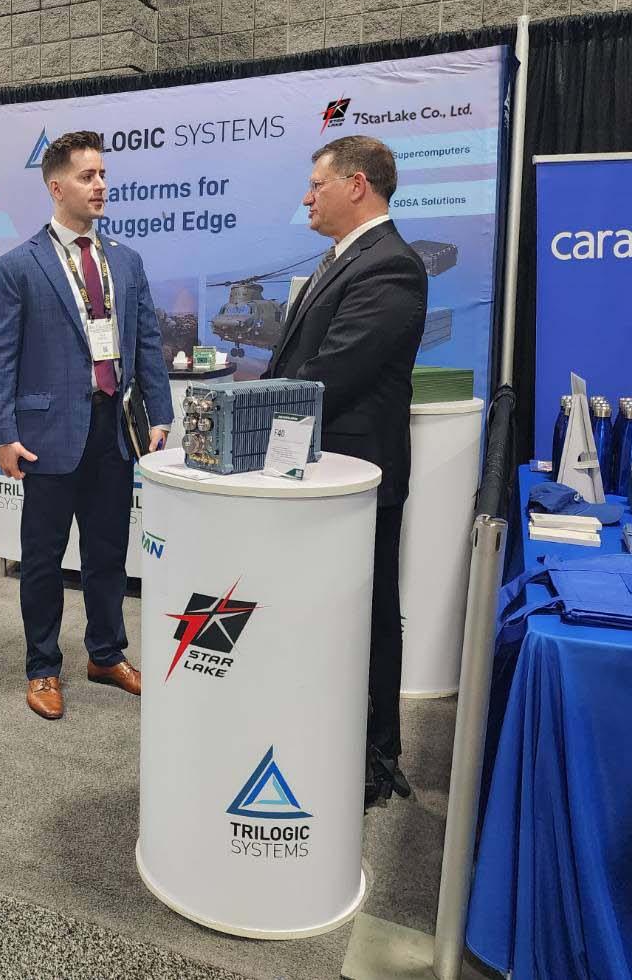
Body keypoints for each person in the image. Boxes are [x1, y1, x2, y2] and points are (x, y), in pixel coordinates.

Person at [0, 130, 172, 720]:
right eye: (88, 176)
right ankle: (42, 667)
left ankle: (106, 653)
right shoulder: (18, 267)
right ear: (56, 187)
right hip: (47, 437)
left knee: (108, 552)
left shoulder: (127, 261)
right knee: (42, 558)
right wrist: (2, 433)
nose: (100, 185)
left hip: (115, 430)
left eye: (103, 174)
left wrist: (160, 413)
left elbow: (147, 342)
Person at [263, 134, 428, 809]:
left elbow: (335, 371)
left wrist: (252, 408)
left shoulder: (391, 265)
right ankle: (327, 736)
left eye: (317, 184)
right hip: (319, 474)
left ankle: (373, 756)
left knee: (367, 614)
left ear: (356, 185)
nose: (306, 197)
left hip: (356, 478)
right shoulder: (342, 258)